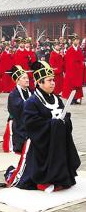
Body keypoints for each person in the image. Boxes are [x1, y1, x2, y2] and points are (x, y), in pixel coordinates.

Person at [5, 61, 80, 192]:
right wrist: (54, 124)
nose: (53, 83)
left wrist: (64, 121)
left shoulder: (56, 98)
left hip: (56, 141)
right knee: (25, 178)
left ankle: (60, 177)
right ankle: (43, 178)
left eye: (53, 80)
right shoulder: (32, 102)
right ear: (39, 83)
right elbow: (32, 124)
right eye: (49, 80)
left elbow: (65, 115)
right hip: (40, 142)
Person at [2, 65, 31, 153]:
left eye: (27, 78)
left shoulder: (31, 91)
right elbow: (18, 108)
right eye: (24, 78)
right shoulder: (13, 94)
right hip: (18, 123)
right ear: (17, 81)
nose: (27, 80)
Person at [62, 34, 84, 104]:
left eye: (78, 40)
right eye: (76, 40)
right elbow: (68, 62)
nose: (77, 41)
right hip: (71, 70)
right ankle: (71, 99)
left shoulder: (79, 50)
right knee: (71, 85)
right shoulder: (69, 50)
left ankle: (76, 98)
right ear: (72, 41)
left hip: (78, 70)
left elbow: (81, 60)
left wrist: (81, 65)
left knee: (78, 85)